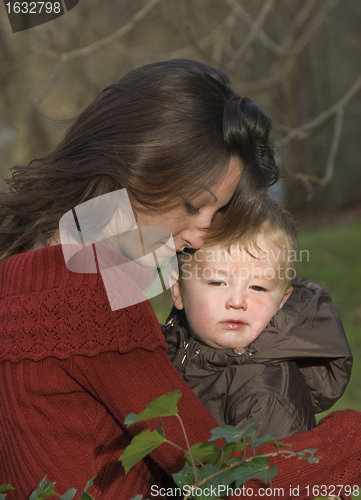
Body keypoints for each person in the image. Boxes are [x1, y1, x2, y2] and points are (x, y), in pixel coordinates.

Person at [0, 60, 360, 500]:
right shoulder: (87, 290)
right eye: (193, 206)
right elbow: (219, 479)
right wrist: (353, 439)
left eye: (216, 212)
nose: (201, 233)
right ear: (138, 166)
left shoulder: (21, 266)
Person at [163, 196, 352, 440]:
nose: (238, 301)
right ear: (178, 291)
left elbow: (258, 477)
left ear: (282, 300)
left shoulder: (265, 392)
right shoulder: (169, 343)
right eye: (218, 282)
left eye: (258, 288)